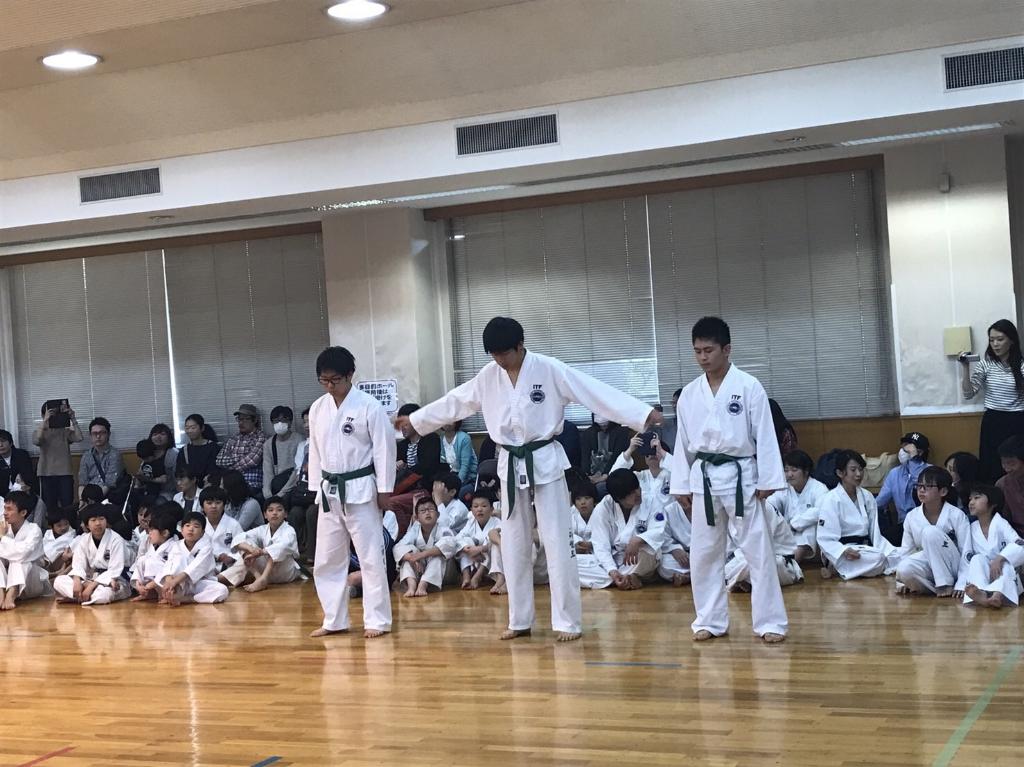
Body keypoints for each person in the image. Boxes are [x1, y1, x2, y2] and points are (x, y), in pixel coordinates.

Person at [396, 316, 658, 642]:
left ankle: (567, 622)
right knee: (514, 542)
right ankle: (519, 619)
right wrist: (417, 420)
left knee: (557, 541)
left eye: (503, 353)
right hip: (509, 463)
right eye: (493, 355)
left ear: (520, 345)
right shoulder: (488, 376)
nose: (499, 360)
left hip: (545, 459)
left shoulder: (549, 369)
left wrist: (640, 413)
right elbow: (456, 401)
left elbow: (593, 391)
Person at [670, 316, 788, 643]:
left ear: (727, 349)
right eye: (697, 351)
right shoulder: (689, 394)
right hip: (704, 477)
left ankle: (770, 622)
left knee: (758, 551)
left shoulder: (748, 386)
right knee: (704, 553)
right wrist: (680, 484)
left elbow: (765, 434)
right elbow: (682, 442)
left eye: (708, 350)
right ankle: (709, 620)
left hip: (741, 476)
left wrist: (768, 478)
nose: (703, 357)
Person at [308, 346, 395, 640]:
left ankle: (377, 619)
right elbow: (315, 451)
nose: (330, 386)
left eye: (335, 380)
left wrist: (385, 490)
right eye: (324, 380)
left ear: (350, 375)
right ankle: (334, 620)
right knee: (327, 559)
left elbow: (384, 450)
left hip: (361, 491)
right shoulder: (318, 408)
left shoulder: (369, 406)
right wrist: (314, 488)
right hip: (329, 491)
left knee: (371, 557)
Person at [817, 450, 897, 581]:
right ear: (840, 473)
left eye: (861, 469)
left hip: (865, 549)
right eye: (853, 470)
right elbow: (825, 537)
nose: (858, 474)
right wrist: (842, 551)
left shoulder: (867, 496)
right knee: (878, 559)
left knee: (900, 555)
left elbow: (874, 531)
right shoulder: (830, 499)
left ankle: (839, 570)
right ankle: (833, 565)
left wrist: (885, 550)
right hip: (842, 551)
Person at [960, 319, 1024, 482]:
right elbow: (968, 394)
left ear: (1011, 340)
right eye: (991, 340)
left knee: (1016, 463)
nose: (995, 344)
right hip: (993, 420)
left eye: (1000, 339)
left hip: (1017, 420)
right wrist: (965, 368)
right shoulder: (986, 365)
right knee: (991, 463)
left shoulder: (1021, 365)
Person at [891, 467, 971, 598]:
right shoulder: (911, 516)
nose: (921, 490)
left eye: (928, 486)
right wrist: (902, 581)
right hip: (929, 567)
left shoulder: (957, 515)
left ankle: (945, 584)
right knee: (904, 569)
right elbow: (907, 551)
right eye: (919, 486)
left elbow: (966, 550)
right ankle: (936, 588)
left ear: (943, 491)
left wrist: (962, 583)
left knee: (930, 532)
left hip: (953, 565)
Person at [586, 468, 667, 590]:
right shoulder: (604, 508)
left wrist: (638, 540)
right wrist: (612, 570)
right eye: (631, 493)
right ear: (618, 498)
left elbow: (659, 530)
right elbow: (600, 544)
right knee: (576, 562)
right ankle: (626, 578)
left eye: (637, 487)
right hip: (615, 558)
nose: (638, 493)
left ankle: (617, 579)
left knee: (650, 552)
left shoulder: (651, 501)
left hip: (638, 557)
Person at [954, 485, 1024, 608]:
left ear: (993, 503)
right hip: (985, 575)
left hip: (1006, 577)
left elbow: (1020, 545)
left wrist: (999, 558)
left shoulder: (1001, 523)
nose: (971, 502)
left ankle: (997, 595)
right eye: (970, 499)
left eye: (977, 498)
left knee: (1006, 565)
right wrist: (960, 584)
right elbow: (966, 557)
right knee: (976, 559)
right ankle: (982, 593)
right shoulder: (972, 528)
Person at [53, 505, 129, 605]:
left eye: (101, 519)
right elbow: (78, 564)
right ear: (87, 525)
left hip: (113, 581)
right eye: (93, 520)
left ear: (106, 521)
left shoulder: (116, 540)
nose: (98, 523)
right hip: (90, 578)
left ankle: (77, 597)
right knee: (59, 581)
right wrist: (77, 581)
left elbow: (114, 570)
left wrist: (91, 586)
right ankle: (83, 595)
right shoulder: (84, 540)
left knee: (103, 595)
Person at [724, 498, 804, 593]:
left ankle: (742, 581)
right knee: (721, 568)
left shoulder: (762, 508)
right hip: (747, 558)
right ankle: (743, 581)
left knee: (748, 566)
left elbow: (761, 549)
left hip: (780, 562)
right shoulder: (730, 511)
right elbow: (729, 551)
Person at [767, 449, 829, 564]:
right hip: (788, 533)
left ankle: (791, 563)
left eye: (794, 470)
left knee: (809, 527)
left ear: (806, 471)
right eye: (786, 470)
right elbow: (772, 502)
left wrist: (795, 524)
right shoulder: (785, 488)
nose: (789, 474)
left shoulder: (819, 488)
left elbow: (821, 511)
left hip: (814, 541)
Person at [231, 496, 301, 592]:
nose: (274, 513)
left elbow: (283, 547)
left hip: (284, 572)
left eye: (279, 510)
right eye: (270, 510)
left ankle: (263, 579)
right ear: (265, 515)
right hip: (265, 572)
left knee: (276, 550)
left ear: (285, 514)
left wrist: (262, 552)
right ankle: (258, 578)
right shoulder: (262, 529)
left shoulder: (289, 530)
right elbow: (238, 538)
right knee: (244, 546)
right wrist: (252, 550)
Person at [156, 512, 229, 605]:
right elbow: (169, 565)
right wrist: (169, 581)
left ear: (202, 532)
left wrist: (174, 581)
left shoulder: (206, 547)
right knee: (162, 571)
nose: (191, 529)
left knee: (222, 590)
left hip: (199, 583)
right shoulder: (176, 545)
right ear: (182, 530)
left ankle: (186, 599)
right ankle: (171, 594)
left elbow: (196, 566)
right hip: (179, 585)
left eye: (196, 526)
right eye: (187, 525)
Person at [394, 496, 458, 597]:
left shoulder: (443, 528)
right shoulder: (415, 529)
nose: (427, 513)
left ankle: (422, 586)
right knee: (408, 552)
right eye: (423, 511)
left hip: (445, 574)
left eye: (431, 509)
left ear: (438, 515)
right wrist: (412, 558)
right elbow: (398, 547)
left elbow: (450, 544)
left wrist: (422, 555)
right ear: (417, 518)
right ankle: (411, 586)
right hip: (420, 571)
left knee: (438, 556)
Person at [875, 432, 932, 545]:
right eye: (903, 447)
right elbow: (880, 502)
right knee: (883, 541)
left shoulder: (930, 471)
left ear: (919, 452)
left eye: (907, 449)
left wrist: (914, 460)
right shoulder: (895, 473)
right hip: (904, 524)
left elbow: (921, 484)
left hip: (927, 523)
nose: (902, 451)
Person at [0, 491, 52, 609]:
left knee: (20, 560)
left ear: (23, 512)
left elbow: (23, 553)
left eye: (9, 509)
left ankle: (11, 594)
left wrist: (2, 537)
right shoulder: (3, 528)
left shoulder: (34, 530)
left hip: (31, 581)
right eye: (4, 508)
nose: (5, 513)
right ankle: (1, 593)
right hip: (7, 580)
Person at [34, 400, 83, 513]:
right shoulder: (39, 431)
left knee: (67, 506)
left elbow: (79, 437)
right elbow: (37, 440)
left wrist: (73, 418)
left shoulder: (64, 431)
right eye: (51, 413)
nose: (53, 416)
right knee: (49, 507)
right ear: (43, 415)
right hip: (46, 474)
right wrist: (45, 421)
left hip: (65, 473)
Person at [197, 486, 245, 588]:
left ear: (224, 505)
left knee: (245, 562)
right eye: (209, 503)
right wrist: (216, 557)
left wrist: (232, 558)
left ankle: (214, 580)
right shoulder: (198, 525)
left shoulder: (233, 524)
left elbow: (243, 547)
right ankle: (214, 580)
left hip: (229, 566)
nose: (214, 506)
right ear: (202, 506)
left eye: (218, 503)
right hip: (206, 565)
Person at [215, 404, 267, 494]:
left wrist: (230, 469)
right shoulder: (233, 438)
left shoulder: (261, 437)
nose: (241, 423)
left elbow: (252, 461)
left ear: (255, 420)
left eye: (245, 419)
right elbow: (219, 460)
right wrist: (241, 457)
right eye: (239, 419)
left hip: (251, 484)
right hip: (230, 484)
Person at [129, 509, 179, 602]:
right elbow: (140, 563)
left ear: (165, 533)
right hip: (152, 586)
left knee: (153, 562)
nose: (149, 533)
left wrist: (153, 584)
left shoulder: (175, 546)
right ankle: (148, 593)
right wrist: (138, 583)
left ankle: (164, 595)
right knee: (143, 560)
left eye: (152, 530)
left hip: (171, 585)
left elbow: (170, 570)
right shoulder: (152, 545)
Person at [455, 490, 501, 589]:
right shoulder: (471, 523)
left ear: (492, 509)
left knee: (491, 542)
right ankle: (466, 576)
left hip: (489, 562)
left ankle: (477, 577)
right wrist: (468, 550)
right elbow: (458, 538)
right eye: (475, 506)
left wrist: (479, 549)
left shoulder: (497, 523)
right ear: (471, 510)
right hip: (474, 559)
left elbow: (499, 542)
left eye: (484, 506)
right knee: (465, 542)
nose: (479, 509)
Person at [611, 431, 672, 503]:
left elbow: (680, 472)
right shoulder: (638, 477)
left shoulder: (672, 475)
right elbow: (614, 477)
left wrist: (661, 450)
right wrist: (630, 449)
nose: (652, 455)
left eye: (655, 451)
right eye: (648, 453)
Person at [580, 415, 631, 487]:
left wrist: (604, 475)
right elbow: (585, 457)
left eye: (605, 425)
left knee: (601, 487)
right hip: (593, 473)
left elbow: (617, 457)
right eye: (600, 425)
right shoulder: (588, 433)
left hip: (614, 473)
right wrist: (587, 475)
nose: (603, 427)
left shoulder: (622, 432)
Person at [263, 406, 303, 498]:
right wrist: (267, 494)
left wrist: (281, 494)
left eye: (283, 420)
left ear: (290, 422)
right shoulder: (268, 444)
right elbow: (267, 472)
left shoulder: (299, 440)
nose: (279, 423)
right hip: (277, 486)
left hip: (294, 486)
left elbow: (297, 471)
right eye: (276, 421)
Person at [176, 414, 221, 484]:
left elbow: (215, 470)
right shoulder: (184, 450)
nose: (189, 431)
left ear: (202, 428)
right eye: (187, 428)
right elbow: (179, 472)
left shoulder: (214, 447)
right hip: (191, 486)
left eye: (193, 428)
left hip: (210, 485)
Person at [658, 498, 691, 586]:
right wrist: (674, 549)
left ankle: (689, 576)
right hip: (686, 556)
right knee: (663, 563)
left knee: (721, 563)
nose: (681, 498)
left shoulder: (707, 508)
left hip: (705, 555)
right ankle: (692, 575)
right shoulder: (669, 510)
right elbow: (664, 537)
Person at [995, 436, 1024, 536]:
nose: (1007, 468)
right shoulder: (1002, 485)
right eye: (1003, 463)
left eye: (1011, 463)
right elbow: (1004, 521)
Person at [440, 420, 478, 494]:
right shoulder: (441, 437)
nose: (447, 422)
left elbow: (465, 465)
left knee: (457, 493)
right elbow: (443, 461)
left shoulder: (464, 437)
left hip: (469, 477)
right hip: (452, 475)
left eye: (451, 419)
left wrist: (456, 484)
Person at [0, 429, 37, 497]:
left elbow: (28, 477)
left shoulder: (21, 455)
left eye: (3, 441)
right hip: (2, 494)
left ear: (11, 443)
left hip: (21, 493)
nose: (0, 445)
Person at [42, 508, 77, 577]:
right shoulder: (48, 533)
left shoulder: (72, 535)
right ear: (51, 527)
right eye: (59, 525)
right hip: (43, 559)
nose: (63, 528)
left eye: (66, 524)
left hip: (57, 562)